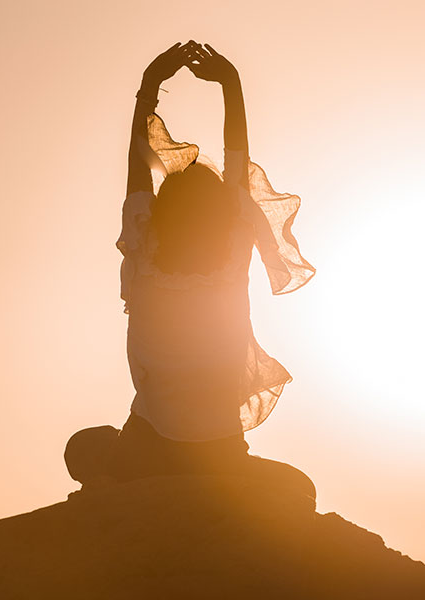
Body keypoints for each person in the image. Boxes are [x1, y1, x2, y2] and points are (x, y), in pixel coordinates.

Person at [65, 41, 315, 499]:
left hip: (147, 447)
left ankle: (140, 483)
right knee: (298, 490)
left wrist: (149, 89)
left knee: (84, 448)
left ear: (163, 212)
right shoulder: (232, 253)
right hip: (219, 450)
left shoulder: (143, 248)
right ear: (225, 213)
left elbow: (139, 166)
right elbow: (237, 158)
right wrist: (230, 85)